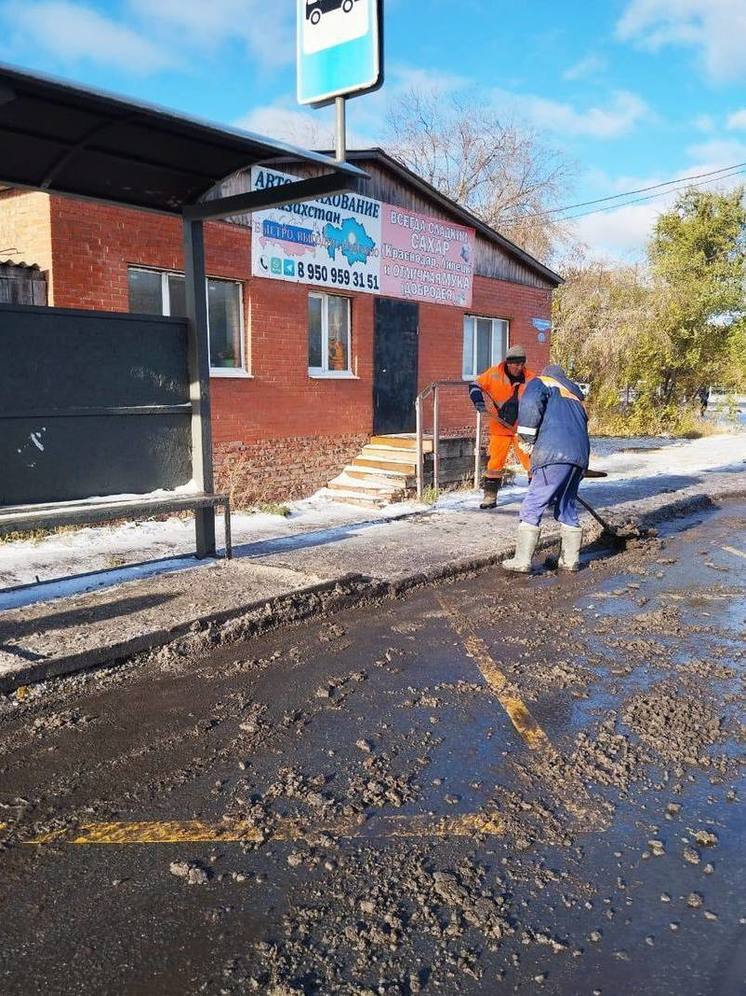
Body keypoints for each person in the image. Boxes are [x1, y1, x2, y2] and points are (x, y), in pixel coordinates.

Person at [502, 363, 590, 574]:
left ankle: (522, 560)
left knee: (534, 503)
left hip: (553, 454)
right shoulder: (574, 397)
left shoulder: (541, 382)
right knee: (567, 505)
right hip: (579, 457)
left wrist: (526, 437)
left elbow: (531, 404)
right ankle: (570, 561)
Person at [469, 345, 537, 509]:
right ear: (508, 363)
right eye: (516, 364)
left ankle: (538, 497)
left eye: (522, 364)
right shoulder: (493, 374)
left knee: (532, 463)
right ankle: (490, 497)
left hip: (522, 428)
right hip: (500, 427)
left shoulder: (532, 379)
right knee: (495, 464)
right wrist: (478, 401)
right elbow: (474, 385)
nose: (519, 367)